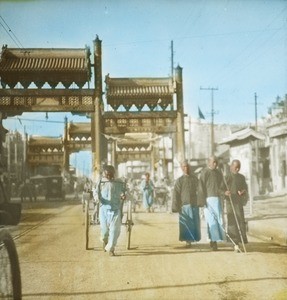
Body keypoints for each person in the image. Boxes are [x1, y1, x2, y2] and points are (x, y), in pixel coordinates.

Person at [93, 165, 126, 256]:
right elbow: (95, 192)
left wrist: (123, 195)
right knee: (104, 232)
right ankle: (105, 240)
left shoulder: (119, 182)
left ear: (113, 174)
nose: (108, 176)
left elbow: (124, 191)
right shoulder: (101, 182)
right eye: (106, 174)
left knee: (114, 230)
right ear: (104, 174)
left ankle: (111, 249)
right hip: (103, 209)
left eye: (110, 174)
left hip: (115, 209)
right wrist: (97, 198)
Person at [198, 156, 225, 251]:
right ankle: (213, 242)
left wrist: (223, 193)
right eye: (213, 162)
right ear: (208, 163)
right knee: (211, 221)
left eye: (216, 162)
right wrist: (202, 201)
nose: (215, 164)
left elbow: (222, 185)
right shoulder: (204, 172)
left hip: (217, 199)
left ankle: (215, 240)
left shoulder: (218, 173)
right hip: (208, 200)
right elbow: (201, 187)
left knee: (218, 220)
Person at [172, 160, 201, 247]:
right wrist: (175, 206)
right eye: (184, 167)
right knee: (187, 223)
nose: (186, 168)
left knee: (194, 222)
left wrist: (200, 201)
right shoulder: (179, 181)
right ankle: (188, 241)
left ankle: (193, 239)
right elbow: (176, 194)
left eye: (187, 166)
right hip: (184, 205)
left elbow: (200, 191)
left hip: (194, 204)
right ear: (181, 168)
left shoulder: (195, 179)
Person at [223, 159, 248, 252]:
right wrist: (225, 192)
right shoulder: (227, 177)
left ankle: (240, 241)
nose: (237, 169)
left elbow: (245, 188)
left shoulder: (241, 177)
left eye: (239, 167)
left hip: (239, 202)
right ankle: (235, 244)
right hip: (230, 203)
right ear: (231, 167)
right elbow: (221, 189)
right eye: (235, 167)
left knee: (241, 222)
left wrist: (242, 191)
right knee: (232, 223)